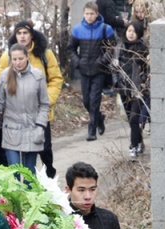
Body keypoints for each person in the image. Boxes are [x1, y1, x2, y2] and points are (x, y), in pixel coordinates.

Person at [0, 21, 63, 178]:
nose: (22, 36)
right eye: (19, 33)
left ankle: (48, 178)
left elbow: (56, 79)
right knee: (15, 165)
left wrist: (46, 100)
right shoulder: (7, 57)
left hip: (38, 114)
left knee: (45, 151)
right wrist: (0, 92)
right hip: (14, 117)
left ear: (32, 35)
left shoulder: (44, 54)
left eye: (25, 33)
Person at [0, 43, 50, 175]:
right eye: (14, 59)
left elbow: (44, 103)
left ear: (27, 58)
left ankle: (31, 195)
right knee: (14, 174)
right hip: (11, 130)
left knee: (29, 174)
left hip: (32, 129)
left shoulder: (37, 76)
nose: (18, 62)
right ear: (10, 60)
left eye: (20, 59)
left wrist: (40, 125)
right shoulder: (4, 76)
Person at [67, 2, 117, 142]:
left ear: (97, 14)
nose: (89, 17)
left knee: (95, 100)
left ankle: (92, 129)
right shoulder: (77, 30)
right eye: (87, 14)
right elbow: (71, 48)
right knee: (86, 101)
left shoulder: (105, 29)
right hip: (84, 69)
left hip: (99, 70)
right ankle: (99, 118)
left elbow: (111, 48)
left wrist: (102, 61)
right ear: (84, 14)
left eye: (92, 14)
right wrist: (77, 62)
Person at [114, 21, 148, 158]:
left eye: (134, 31)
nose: (131, 33)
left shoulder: (143, 48)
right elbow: (113, 68)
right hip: (123, 88)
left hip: (138, 89)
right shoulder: (119, 47)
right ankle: (139, 141)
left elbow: (146, 69)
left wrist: (143, 83)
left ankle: (133, 146)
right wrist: (116, 82)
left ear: (138, 33)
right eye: (129, 30)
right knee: (130, 120)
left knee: (134, 119)